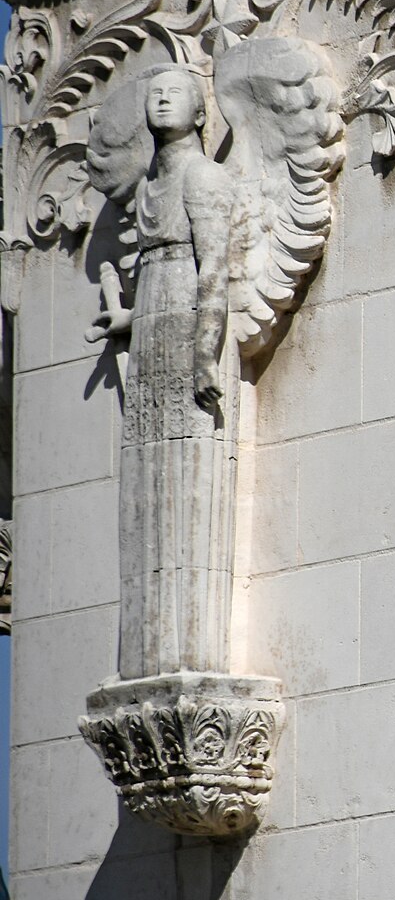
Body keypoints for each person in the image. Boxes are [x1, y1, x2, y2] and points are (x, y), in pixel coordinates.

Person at [88, 64, 238, 676]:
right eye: (155, 92)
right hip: (153, 309)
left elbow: (214, 269)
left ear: (203, 112)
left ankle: (188, 636)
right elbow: (163, 264)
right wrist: (132, 320)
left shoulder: (203, 177)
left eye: (177, 93)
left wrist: (205, 353)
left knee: (183, 460)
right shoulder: (151, 187)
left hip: (185, 315)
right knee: (147, 460)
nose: (162, 99)